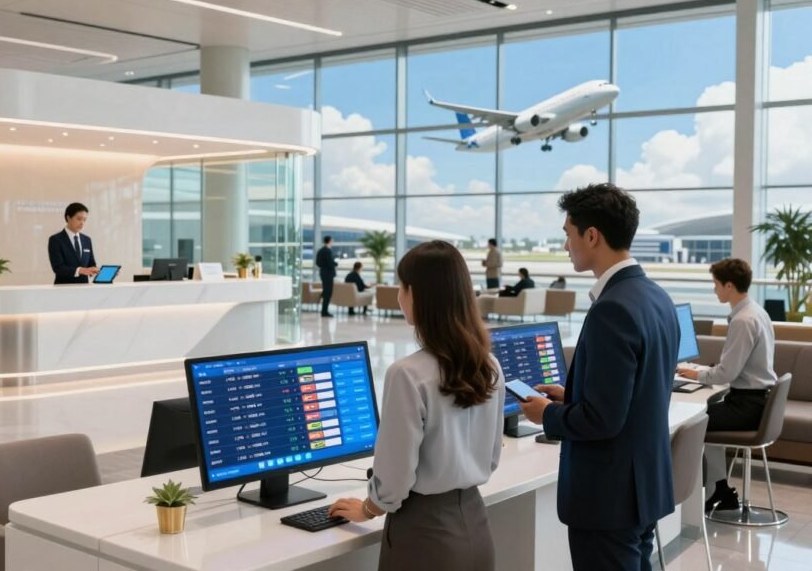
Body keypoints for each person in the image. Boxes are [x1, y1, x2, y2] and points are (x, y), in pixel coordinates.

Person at [519, 184, 677, 571]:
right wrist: (570, 394)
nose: (565, 245)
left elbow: (603, 419)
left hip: (609, 498)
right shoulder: (656, 297)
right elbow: (638, 392)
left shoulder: (612, 309)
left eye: (568, 234)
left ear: (592, 235)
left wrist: (546, 415)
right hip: (643, 487)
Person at [329, 240, 504, 571]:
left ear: (418, 296)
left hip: (425, 534)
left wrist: (368, 508)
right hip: (476, 525)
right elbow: (492, 455)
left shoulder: (407, 375)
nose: (398, 295)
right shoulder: (489, 365)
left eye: (401, 286)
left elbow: (395, 478)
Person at [677, 258, 777, 512]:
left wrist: (696, 375)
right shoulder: (756, 311)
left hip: (748, 405)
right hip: (757, 401)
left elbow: (727, 373)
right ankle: (720, 488)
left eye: (716, 284)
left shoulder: (743, 320)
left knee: (693, 421)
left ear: (729, 286)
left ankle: (711, 491)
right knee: (706, 415)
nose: (714, 290)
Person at [48, 202, 98, 285]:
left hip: (84, 288)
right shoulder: (55, 240)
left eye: (84, 220)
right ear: (68, 218)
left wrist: (99, 271)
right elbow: (58, 268)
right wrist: (80, 270)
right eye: (79, 219)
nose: (82, 223)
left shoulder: (87, 240)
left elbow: (91, 264)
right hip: (63, 288)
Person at [315, 235, 338, 318]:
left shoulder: (320, 251)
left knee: (326, 291)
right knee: (328, 292)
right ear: (330, 241)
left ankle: (324, 309)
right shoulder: (328, 251)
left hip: (323, 273)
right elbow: (330, 263)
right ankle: (324, 311)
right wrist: (335, 264)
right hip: (328, 274)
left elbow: (318, 263)